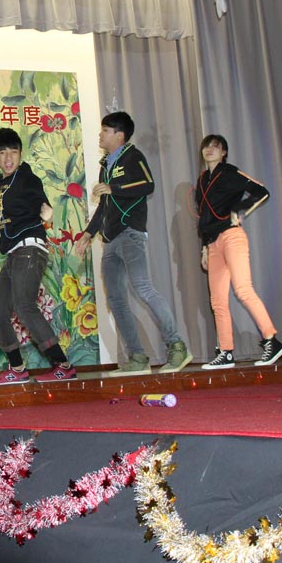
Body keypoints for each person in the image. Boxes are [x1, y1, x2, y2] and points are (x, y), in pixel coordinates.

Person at [72, 111, 192, 374]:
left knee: (143, 288)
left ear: (120, 135)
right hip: (110, 239)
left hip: (131, 234)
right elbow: (104, 206)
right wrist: (88, 234)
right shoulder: (106, 165)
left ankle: (177, 345)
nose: (101, 134)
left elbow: (147, 185)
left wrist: (113, 188)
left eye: (106, 130)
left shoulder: (132, 156)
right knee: (115, 299)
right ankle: (137, 358)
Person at [0, 127, 72, 384]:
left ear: (20, 154)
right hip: (13, 255)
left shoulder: (27, 178)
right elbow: (0, 222)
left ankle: (62, 365)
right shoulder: (0, 184)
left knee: (23, 305)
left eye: (13, 152)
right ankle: (17, 369)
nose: (8, 158)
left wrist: (46, 212)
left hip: (30, 250)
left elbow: (40, 201)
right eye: (2, 152)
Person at [194, 134, 282, 369]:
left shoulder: (229, 173)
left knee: (243, 289)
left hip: (232, 236)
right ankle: (226, 352)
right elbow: (203, 216)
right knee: (217, 301)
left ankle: (272, 341)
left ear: (224, 152)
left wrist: (240, 209)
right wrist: (204, 247)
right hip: (213, 243)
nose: (210, 150)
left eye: (215, 147)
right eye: (206, 146)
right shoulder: (202, 181)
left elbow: (262, 191)